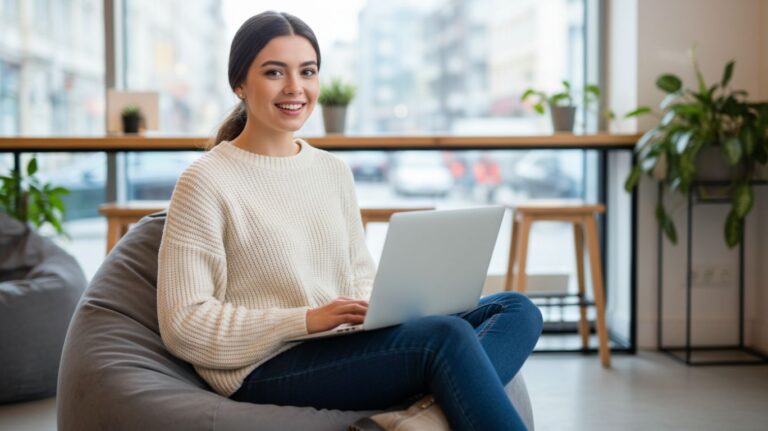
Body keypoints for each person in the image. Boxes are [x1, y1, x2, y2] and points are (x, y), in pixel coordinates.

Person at [157, 11, 543, 431]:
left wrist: (389, 310)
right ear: (239, 85)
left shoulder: (331, 171)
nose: (295, 88)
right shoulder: (206, 180)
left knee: (516, 308)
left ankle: (420, 422)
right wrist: (306, 319)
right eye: (274, 72)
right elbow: (184, 324)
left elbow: (359, 275)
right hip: (265, 365)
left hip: (342, 343)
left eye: (308, 72)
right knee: (445, 339)